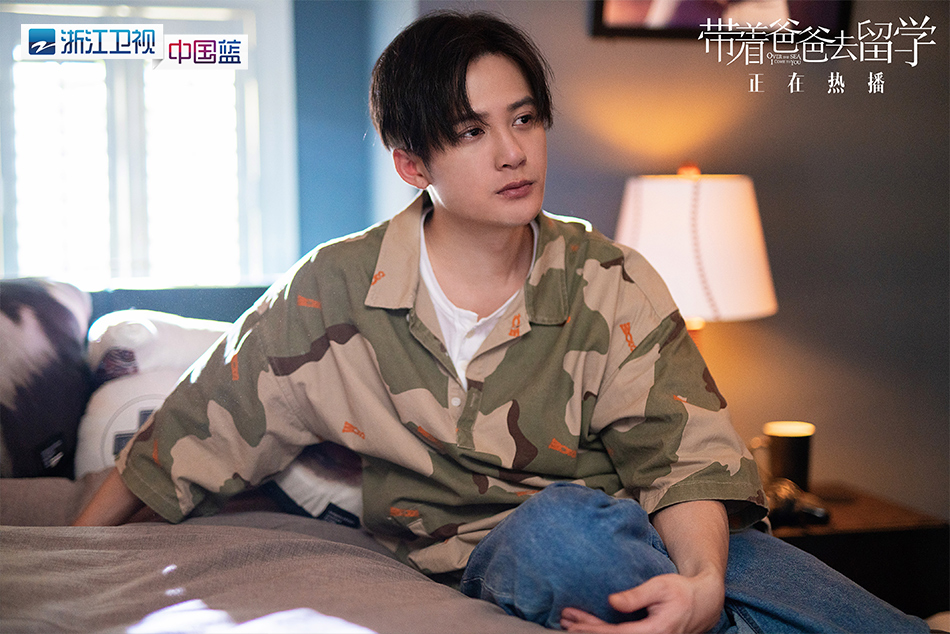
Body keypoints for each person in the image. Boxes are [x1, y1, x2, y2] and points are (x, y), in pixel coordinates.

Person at [74, 11, 929, 634]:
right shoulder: (332, 289)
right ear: (412, 163)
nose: (513, 152)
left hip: (651, 528)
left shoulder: (611, 278)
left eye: (523, 119)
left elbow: (686, 458)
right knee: (564, 535)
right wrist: (68, 555)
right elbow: (192, 428)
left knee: (814, 594)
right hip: (510, 548)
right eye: (471, 132)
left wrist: (703, 583)